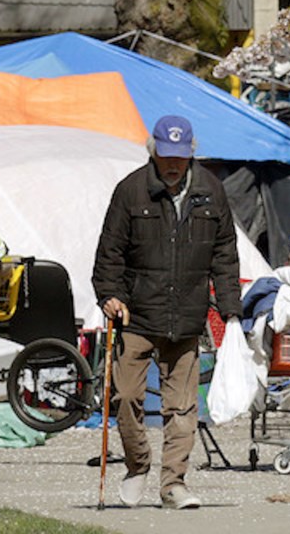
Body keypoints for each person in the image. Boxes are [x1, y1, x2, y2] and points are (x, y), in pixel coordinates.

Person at [92, 115, 241, 509]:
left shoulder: (211, 190)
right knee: (124, 397)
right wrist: (109, 294)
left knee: (183, 408)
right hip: (137, 314)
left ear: (191, 152)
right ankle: (138, 463)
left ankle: (173, 484)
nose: (172, 164)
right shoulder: (130, 191)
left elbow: (225, 255)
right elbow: (110, 253)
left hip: (187, 315)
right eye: (165, 156)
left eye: (180, 156)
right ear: (152, 151)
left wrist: (231, 311)